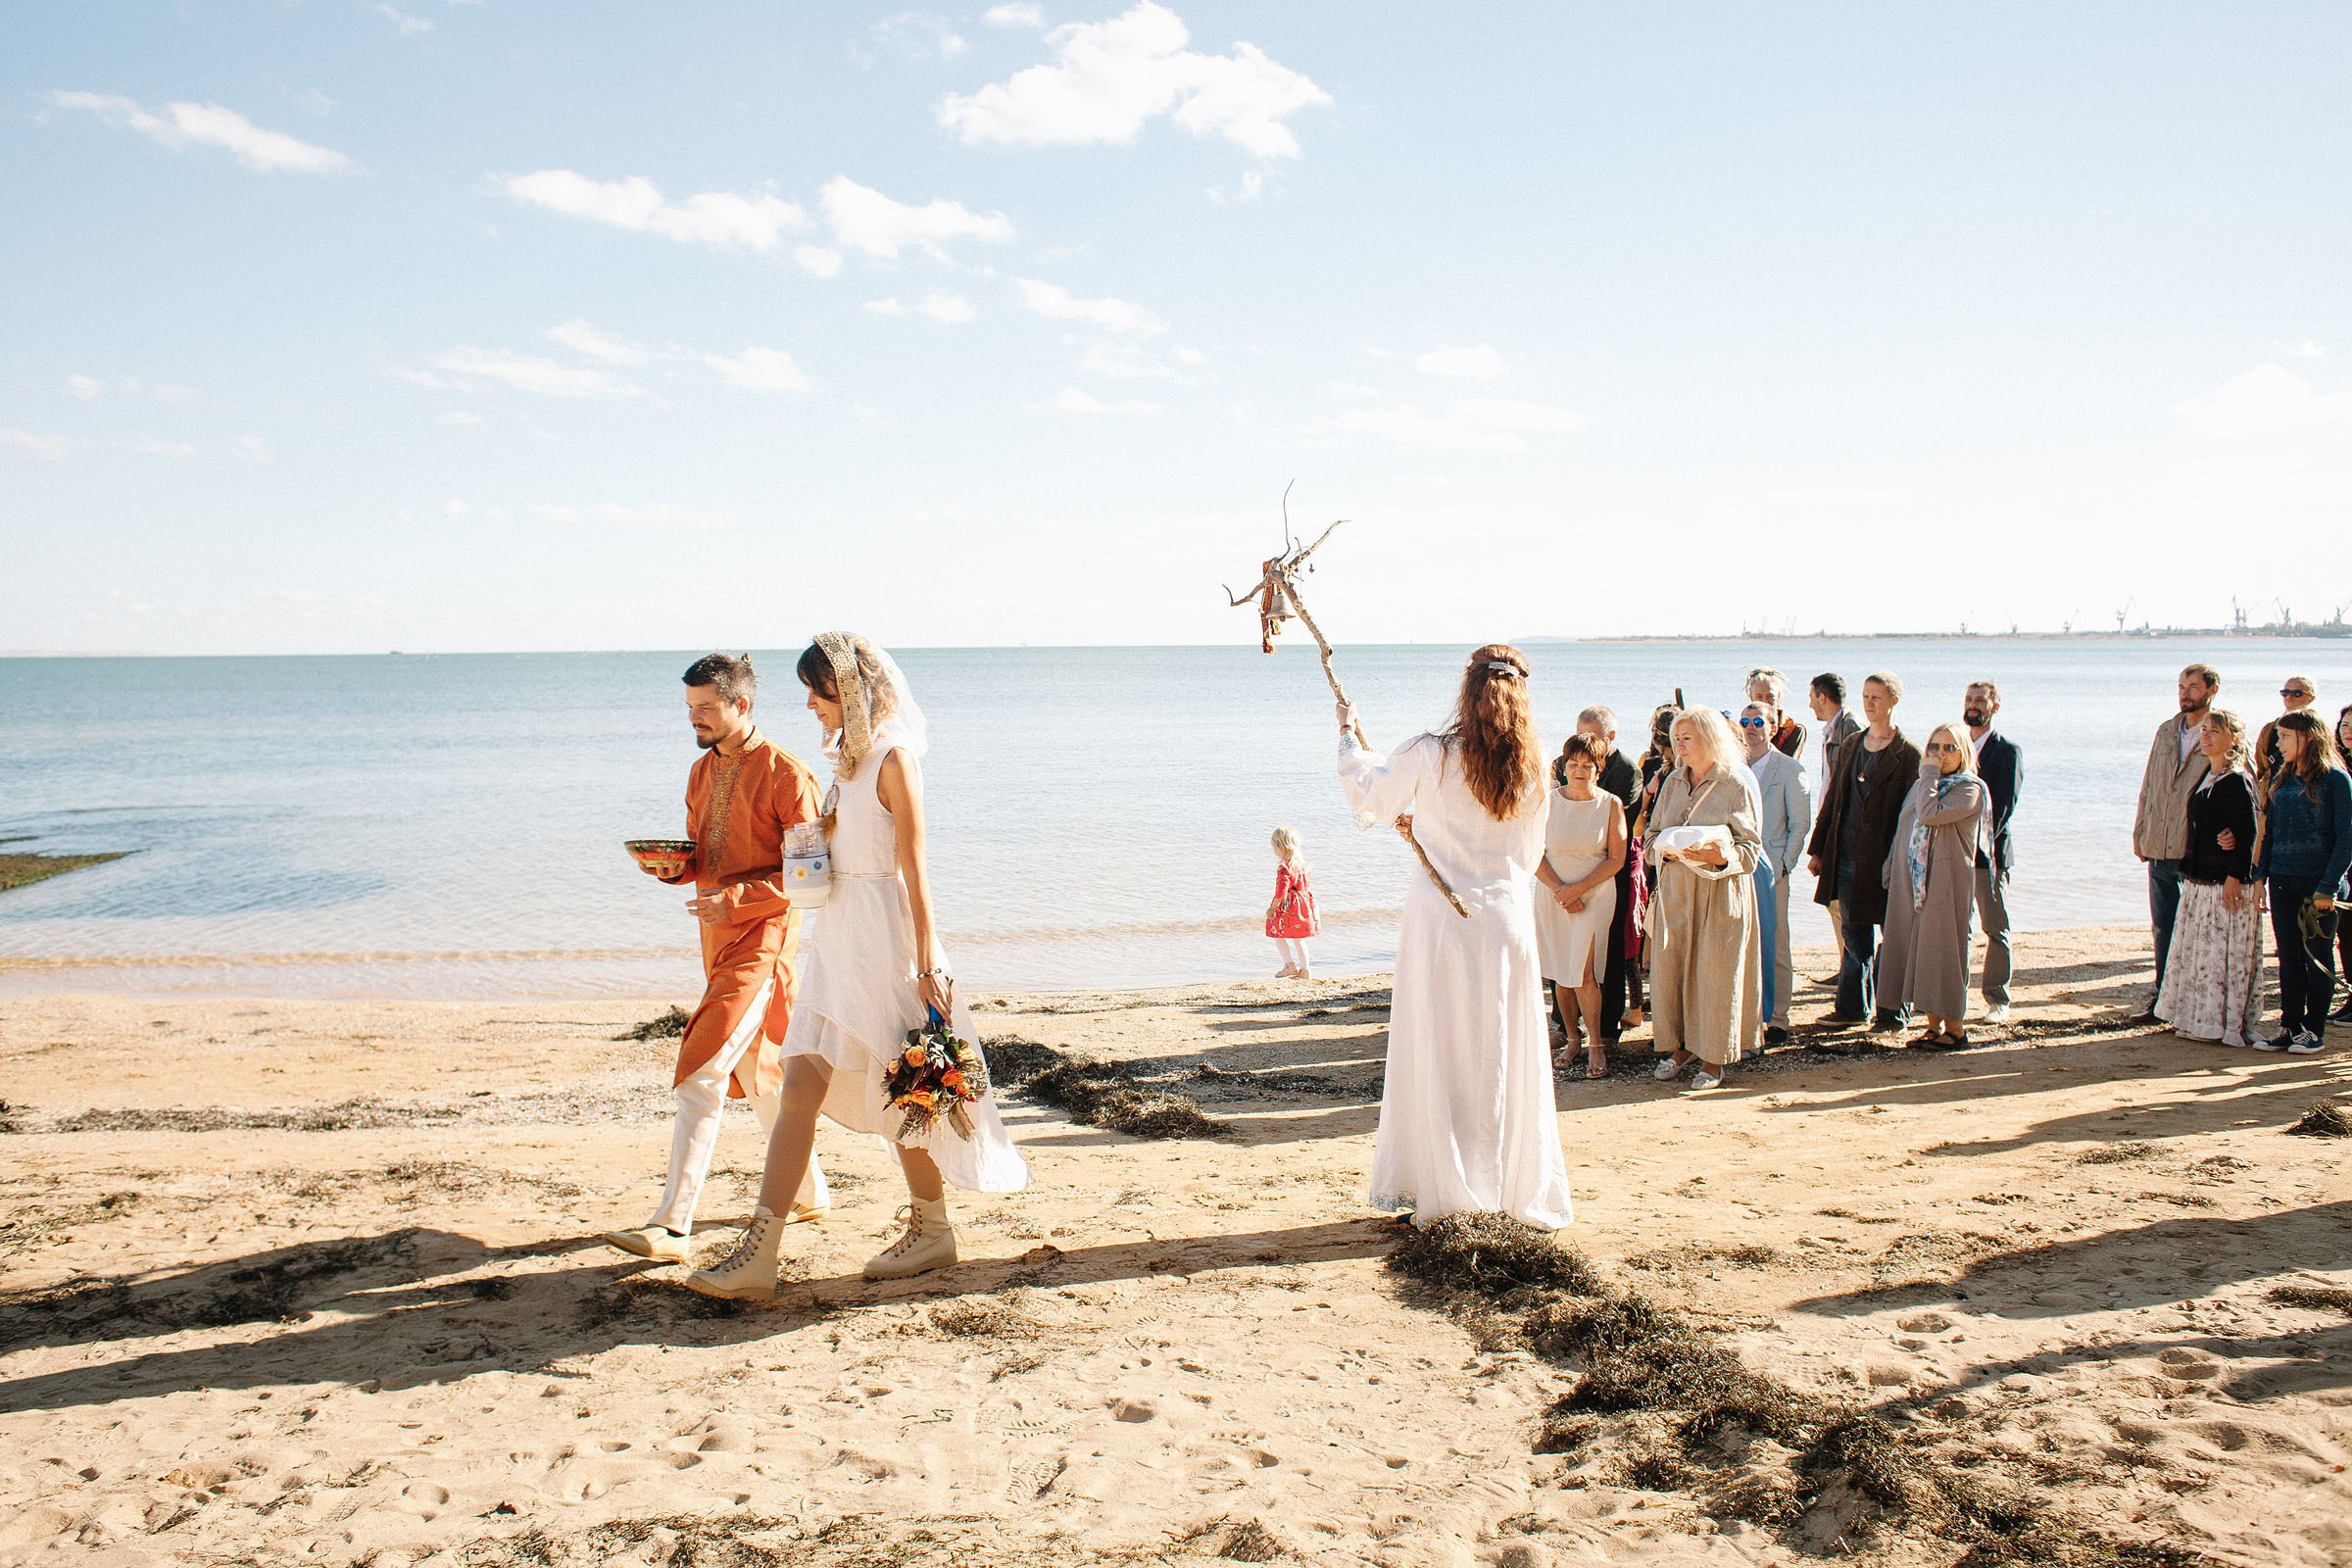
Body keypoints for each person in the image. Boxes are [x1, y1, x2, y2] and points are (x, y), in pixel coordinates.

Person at [685, 635, 1029, 1297]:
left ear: (849, 690)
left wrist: (927, 959)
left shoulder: (894, 761)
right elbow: (835, 857)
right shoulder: (847, 764)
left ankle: (929, 1230)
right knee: (803, 1087)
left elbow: (914, 868)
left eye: (816, 692)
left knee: (905, 1087)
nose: (809, 705)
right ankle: (765, 1254)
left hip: (886, 942)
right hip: (838, 939)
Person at [603, 653, 831, 1264]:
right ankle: (810, 1192)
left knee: (700, 1069)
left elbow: (812, 877)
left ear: (741, 704)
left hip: (763, 943)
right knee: (759, 1074)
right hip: (716, 942)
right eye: (689, 707)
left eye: (705, 707)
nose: (694, 718)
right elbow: (706, 857)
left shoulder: (788, 775)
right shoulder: (701, 772)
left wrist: (733, 899)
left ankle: (672, 1225)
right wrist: (672, 870)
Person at [1336, 644, 1573, 1229]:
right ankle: (1504, 1190)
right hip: (1506, 918)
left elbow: (1370, 794)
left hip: (1442, 921)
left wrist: (1347, 735)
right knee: (1501, 1050)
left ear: (1467, 691)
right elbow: (1530, 852)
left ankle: (1448, 1192)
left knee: (1439, 1049)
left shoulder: (1430, 753)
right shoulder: (1533, 767)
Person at [1643, 709, 1763, 1090]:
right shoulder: (1672, 781)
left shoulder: (1734, 784)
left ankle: (1713, 1060)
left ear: (1710, 738)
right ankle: (1681, 1049)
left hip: (1719, 894)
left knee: (1715, 976)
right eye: (1677, 738)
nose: (1679, 745)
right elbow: (1649, 837)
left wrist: (1718, 856)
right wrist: (1666, 849)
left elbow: (1751, 851)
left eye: (1688, 738)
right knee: (1673, 973)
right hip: (1677, 894)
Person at [1805, 673, 1923, 1028]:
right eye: (1866, 696)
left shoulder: (1908, 753)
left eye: (1877, 697)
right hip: (1846, 856)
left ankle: (1892, 1011)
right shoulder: (1853, 744)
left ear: (1893, 701)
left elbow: (1913, 815)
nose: (1869, 703)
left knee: (1895, 936)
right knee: (1854, 938)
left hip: (1886, 862)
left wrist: (1907, 863)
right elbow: (1834, 799)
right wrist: (1818, 850)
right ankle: (1852, 1009)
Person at [2154, 710, 2264, 1048]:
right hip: (2200, 879)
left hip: (2225, 883)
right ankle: (2197, 1019)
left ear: (2234, 738)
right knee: (2200, 954)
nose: (2206, 736)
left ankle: (2225, 1024)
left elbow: (2248, 832)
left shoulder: (2237, 779)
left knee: (2222, 955)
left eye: (2215, 731)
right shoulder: (2208, 775)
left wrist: (2235, 876)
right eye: (2204, 730)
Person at [1878, 722, 1987, 1049]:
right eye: (1934, 747)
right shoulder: (1923, 785)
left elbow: (1929, 814)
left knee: (1944, 951)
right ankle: (1932, 1025)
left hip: (1946, 883)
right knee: (1920, 950)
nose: (1940, 754)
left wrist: (1927, 774)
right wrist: (1890, 867)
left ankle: (1955, 1029)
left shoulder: (1969, 789)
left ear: (1964, 752)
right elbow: (1904, 825)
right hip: (1913, 883)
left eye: (1949, 748)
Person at [2252, 710, 2351, 1054]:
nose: (2278, 743)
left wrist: (2329, 886)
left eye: (2285, 736)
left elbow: (2347, 838)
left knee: (2316, 957)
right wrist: (2260, 876)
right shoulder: (2283, 778)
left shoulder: (2336, 779)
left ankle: (2313, 1030)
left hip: (2318, 884)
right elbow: (2271, 834)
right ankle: (2290, 1026)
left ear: (2307, 737)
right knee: (2289, 957)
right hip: (2282, 879)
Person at [2131, 663, 2219, 1019]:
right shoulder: (2167, 730)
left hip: (2195, 849)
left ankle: (2193, 1003)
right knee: (2163, 927)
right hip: (2158, 844)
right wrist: (2140, 830)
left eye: (2193, 686)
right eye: (2182, 686)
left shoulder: (2221, 731)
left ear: (2211, 690)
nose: (2185, 693)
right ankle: (2163, 999)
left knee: (2197, 929)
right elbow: (2149, 783)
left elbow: (2233, 786)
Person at [1538, 732, 1628, 1079]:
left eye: (1587, 765)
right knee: (1562, 972)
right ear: (1563, 766)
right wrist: (1560, 890)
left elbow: (1616, 858)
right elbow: (1531, 852)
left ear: (1598, 768)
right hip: (1552, 894)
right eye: (1573, 763)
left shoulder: (1610, 804)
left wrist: (1577, 890)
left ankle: (1597, 1045)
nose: (1579, 770)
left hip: (1593, 894)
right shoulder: (1545, 802)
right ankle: (1572, 1040)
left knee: (1584, 973)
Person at [1562, 708, 1642, 1048]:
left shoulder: (1627, 772)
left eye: (1592, 735)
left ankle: (1607, 1028)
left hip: (1610, 875)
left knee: (1608, 954)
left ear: (1610, 737)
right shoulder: (1563, 763)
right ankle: (1566, 1025)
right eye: (1579, 733)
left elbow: (1618, 833)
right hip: (1565, 875)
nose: (1584, 741)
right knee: (1565, 952)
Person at [1741, 701, 1811, 1045]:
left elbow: (1800, 824)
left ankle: (1779, 1016)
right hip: (1736, 869)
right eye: (1745, 722)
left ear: (1773, 728)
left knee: (1776, 942)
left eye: (1758, 722)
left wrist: (1784, 864)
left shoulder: (1790, 769)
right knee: (1742, 941)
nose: (1750, 728)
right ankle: (1747, 1013)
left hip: (1772, 869)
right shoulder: (1733, 766)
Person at [1964, 681, 2024, 1024]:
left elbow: (2003, 808)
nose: (1973, 705)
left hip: (1991, 857)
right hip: (1955, 854)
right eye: (1969, 699)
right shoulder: (1955, 746)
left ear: (1994, 707)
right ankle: (1951, 995)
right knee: (1957, 929)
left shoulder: (2007, 751)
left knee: (1995, 928)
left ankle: (1998, 999)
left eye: (1980, 700)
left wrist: (1975, 843)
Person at [1807, 673, 1864, 977]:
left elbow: (1847, 786)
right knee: (1834, 901)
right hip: (1831, 825)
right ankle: (1847, 968)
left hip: (1843, 828)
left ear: (1822, 697)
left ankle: (1850, 972)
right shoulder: (1833, 729)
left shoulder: (1850, 729)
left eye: (1811, 697)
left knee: (1841, 902)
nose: (1809, 704)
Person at [1266, 826, 1320, 978]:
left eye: (1274, 847)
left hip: (1288, 906)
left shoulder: (1284, 867)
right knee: (1299, 939)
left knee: (1276, 933)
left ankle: (1289, 965)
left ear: (1280, 846)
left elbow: (1281, 892)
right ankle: (1305, 970)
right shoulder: (1304, 864)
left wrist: (1272, 908)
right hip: (1304, 905)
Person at [2255, 676, 2319, 801]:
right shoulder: (2269, 730)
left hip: (2305, 796)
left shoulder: (2316, 730)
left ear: (2311, 698)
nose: (2289, 697)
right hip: (2272, 799)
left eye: (2297, 693)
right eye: (2285, 692)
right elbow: (2262, 768)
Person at [1746, 667, 1806, 759]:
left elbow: (1786, 763)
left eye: (1770, 696)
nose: (1765, 701)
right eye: (1759, 696)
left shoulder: (1792, 730)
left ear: (1778, 697)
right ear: (1751, 697)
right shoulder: (1743, 728)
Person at [2336, 703, 2352, 1025]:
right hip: (2344, 861)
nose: (2348, 731)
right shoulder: (2337, 764)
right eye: (2345, 725)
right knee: (2346, 930)